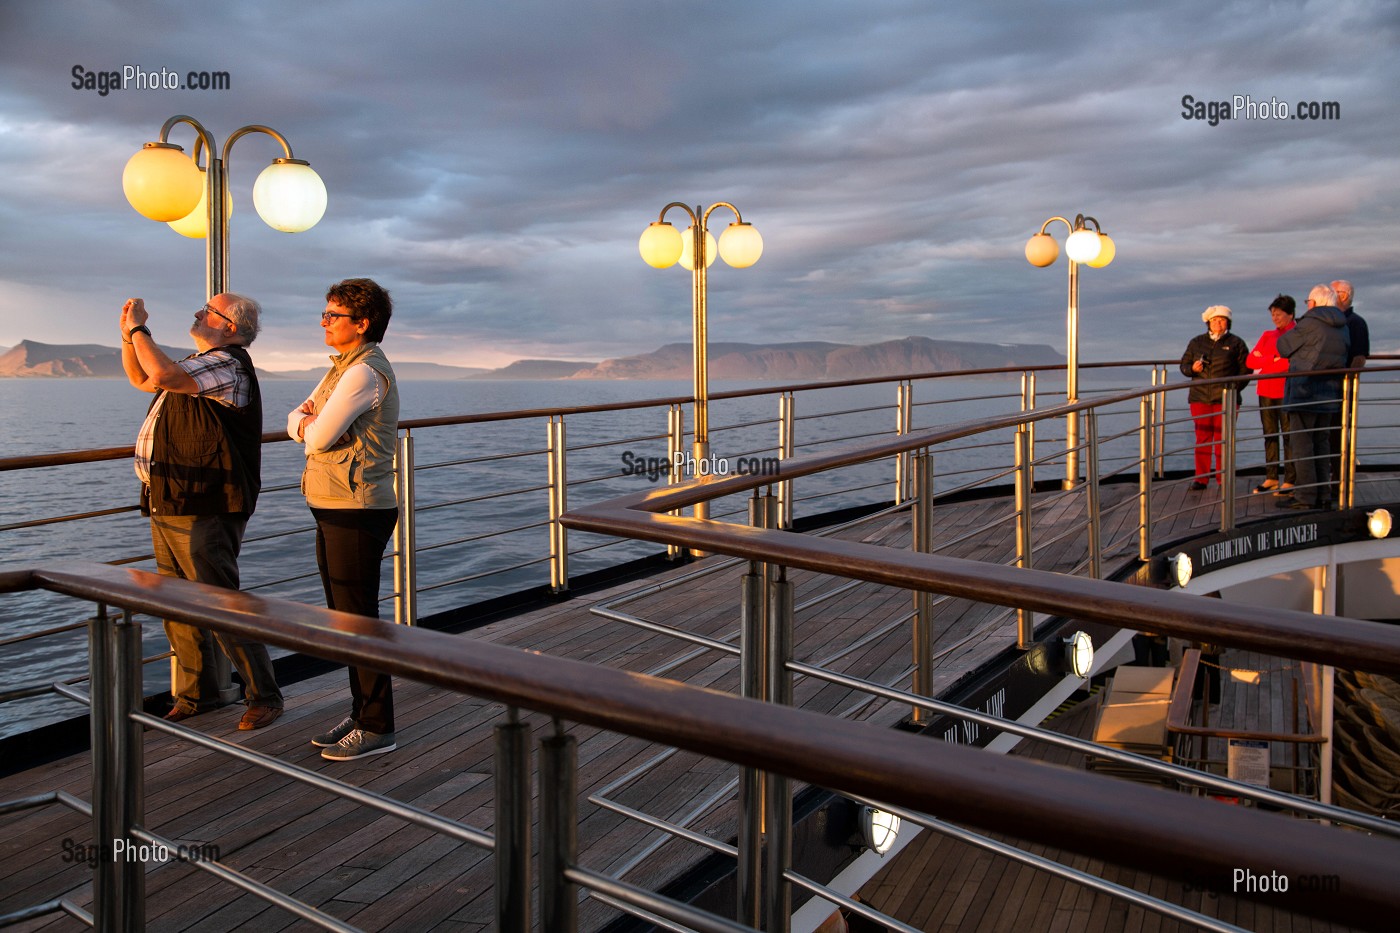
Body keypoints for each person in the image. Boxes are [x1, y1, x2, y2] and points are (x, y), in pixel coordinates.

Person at [119, 294, 284, 729]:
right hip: (172, 495)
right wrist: (127, 336)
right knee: (177, 604)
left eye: (206, 310)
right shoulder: (202, 362)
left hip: (206, 501)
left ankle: (264, 695)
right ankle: (199, 695)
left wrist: (140, 330)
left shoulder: (227, 364)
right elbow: (144, 379)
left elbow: (162, 374)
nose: (196, 314)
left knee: (220, 602)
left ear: (229, 326)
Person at [288, 278, 401, 761]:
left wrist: (308, 423)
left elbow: (313, 436)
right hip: (334, 505)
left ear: (363, 323)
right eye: (325, 312)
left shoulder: (361, 375)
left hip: (357, 510)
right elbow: (296, 417)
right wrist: (307, 420)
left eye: (333, 315)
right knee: (345, 618)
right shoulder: (341, 369)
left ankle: (377, 726)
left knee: (359, 620)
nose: (323, 321)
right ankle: (361, 714)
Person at [1275, 284, 1350, 511]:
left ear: (1315, 302)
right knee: (1321, 443)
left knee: (1302, 445)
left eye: (1308, 301)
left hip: (1304, 392)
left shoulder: (1309, 323)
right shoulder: (1342, 325)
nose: (1307, 305)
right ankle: (1323, 494)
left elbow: (1283, 347)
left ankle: (1306, 496)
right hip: (1329, 394)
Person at [1180, 305, 1249, 490]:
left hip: (1226, 398)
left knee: (1223, 439)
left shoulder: (1237, 343)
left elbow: (1246, 370)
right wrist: (1191, 369)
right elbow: (1183, 365)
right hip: (1200, 397)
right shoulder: (1196, 342)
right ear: (1208, 322)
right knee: (1202, 438)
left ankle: (1223, 478)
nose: (1218, 323)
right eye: (1214, 319)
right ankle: (1201, 479)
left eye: (1222, 319)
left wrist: (1233, 389)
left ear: (1228, 322)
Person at [1245, 296, 1296, 495]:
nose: (1274, 317)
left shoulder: (1296, 334)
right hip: (1265, 391)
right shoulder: (1267, 335)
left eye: (1278, 313)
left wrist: (1265, 361)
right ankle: (1272, 477)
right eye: (1272, 313)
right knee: (1270, 435)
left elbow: (1289, 363)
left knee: (1289, 436)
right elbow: (1250, 362)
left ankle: (1290, 480)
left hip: (1285, 391)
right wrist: (1274, 359)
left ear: (1289, 313)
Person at [1326, 279, 1368, 501]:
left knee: (1338, 435)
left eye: (1334, 293)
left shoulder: (1355, 323)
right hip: (1326, 390)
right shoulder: (1334, 322)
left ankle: (1340, 482)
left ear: (1344, 296)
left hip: (1341, 390)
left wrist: (1345, 382)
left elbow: (1359, 358)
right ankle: (1331, 481)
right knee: (1329, 436)